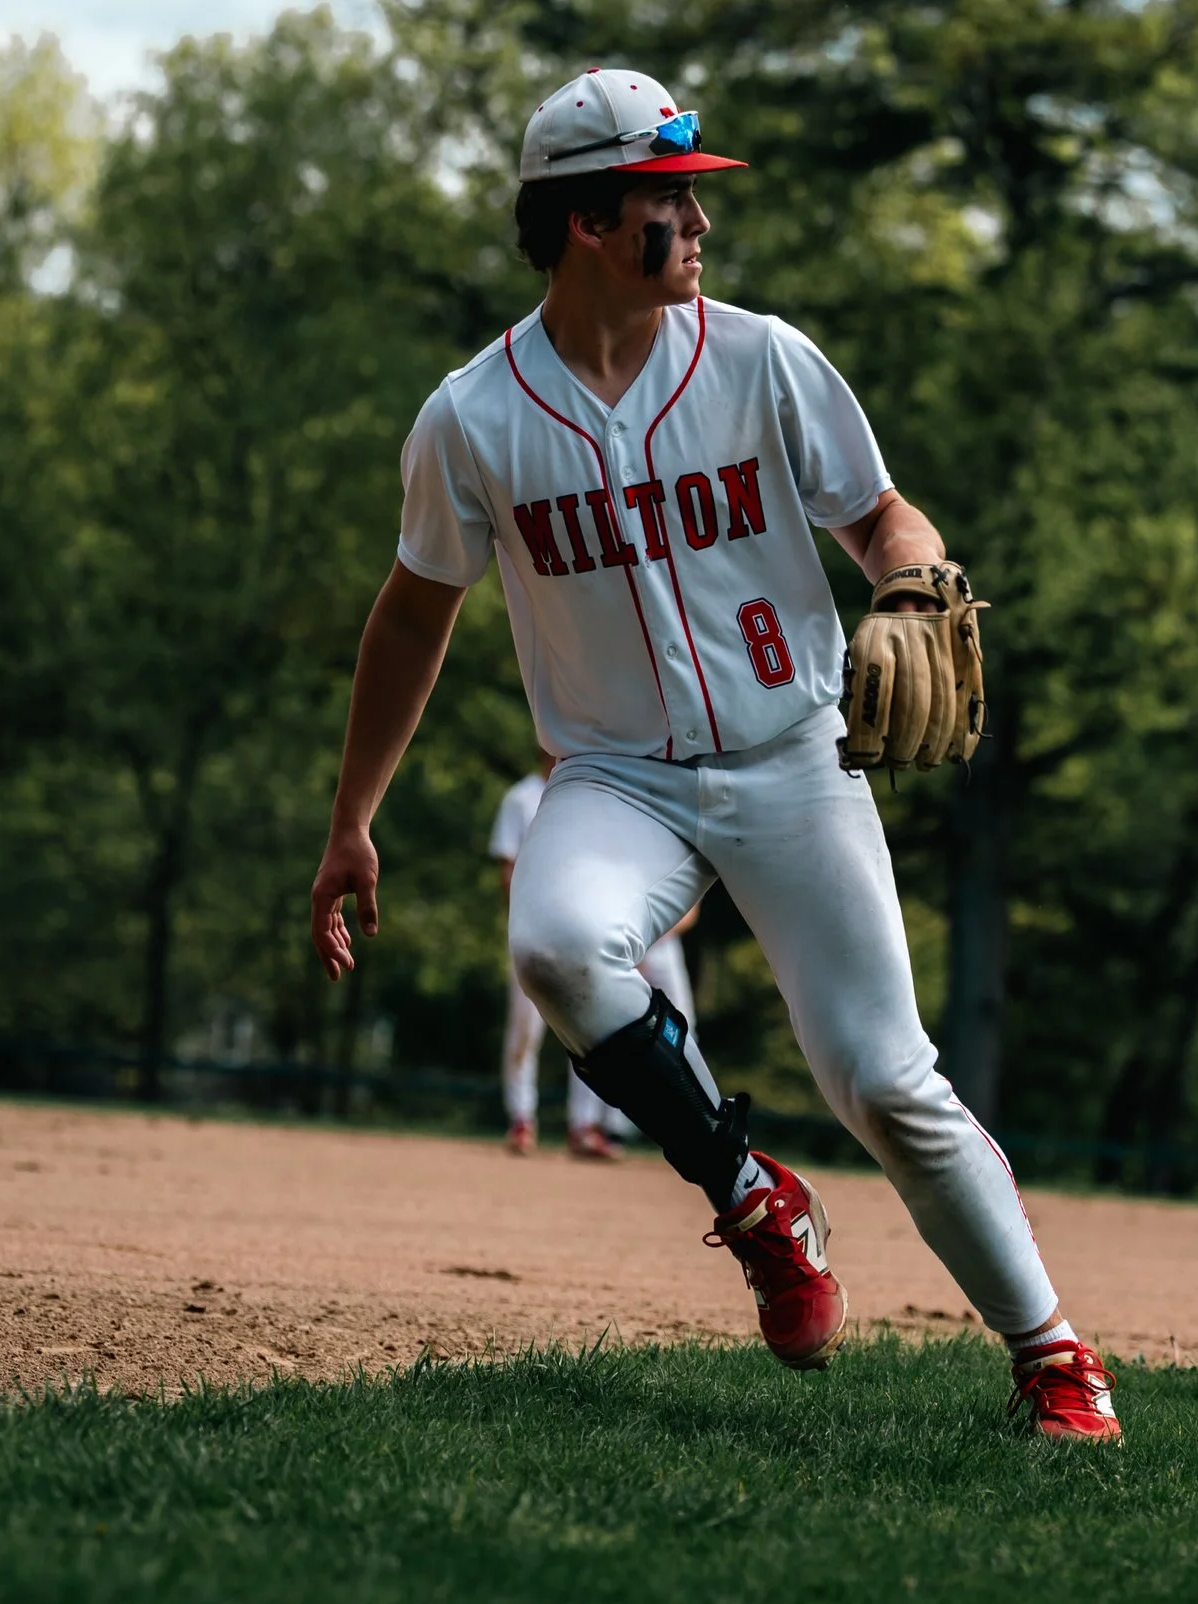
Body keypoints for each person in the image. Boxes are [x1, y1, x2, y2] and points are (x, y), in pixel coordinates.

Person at [307, 67, 1117, 1439]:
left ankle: (1055, 1359)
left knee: (883, 1079)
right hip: (617, 776)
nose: (695, 220)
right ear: (585, 223)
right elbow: (411, 617)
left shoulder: (760, 357)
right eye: (669, 198)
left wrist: (914, 579)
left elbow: (883, 518)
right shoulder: (474, 419)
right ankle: (754, 1200)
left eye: (692, 196)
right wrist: (352, 821)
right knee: (555, 945)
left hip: (794, 752)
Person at [489, 753, 695, 1159]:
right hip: (535, 928)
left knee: (587, 1031)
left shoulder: (597, 798)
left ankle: (585, 1126)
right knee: (525, 1031)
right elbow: (508, 871)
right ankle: (521, 1118)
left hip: (587, 934)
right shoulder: (522, 799)